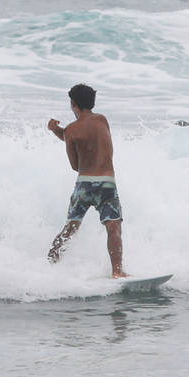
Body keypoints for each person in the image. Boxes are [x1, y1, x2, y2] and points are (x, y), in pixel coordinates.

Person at [47, 84, 127, 278]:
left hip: (84, 184)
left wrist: (56, 130)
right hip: (107, 184)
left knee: (70, 228)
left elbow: (75, 165)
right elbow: (88, 136)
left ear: (73, 103)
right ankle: (117, 271)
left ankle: (50, 263)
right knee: (113, 228)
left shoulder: (71, 130)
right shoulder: (102, 120)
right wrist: (60, 132)